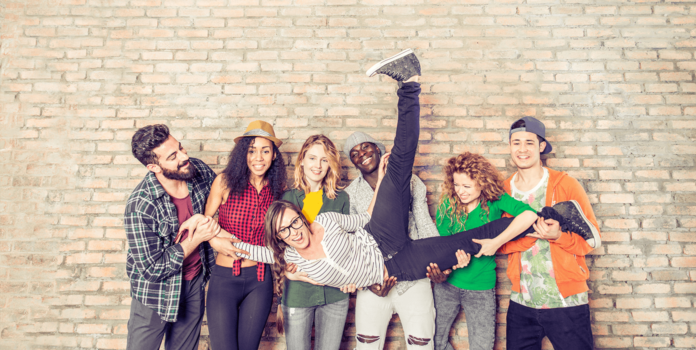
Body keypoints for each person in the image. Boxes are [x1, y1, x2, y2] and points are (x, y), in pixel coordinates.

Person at [218, 50, 596, 290]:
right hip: (400, 265)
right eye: (285, 230)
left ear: (302, 218)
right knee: (476, 243)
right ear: (279, 237)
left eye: (295, 222)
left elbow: (364, 220)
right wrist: (208, 233)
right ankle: (554, 215)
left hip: (379, 236)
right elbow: (243, 248)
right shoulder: (291, 259)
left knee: (397, 167)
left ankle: (409, 83)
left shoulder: (327, 222)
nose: (294, 230)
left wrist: (384, 185)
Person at [344, 130, 468, 349]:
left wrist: (442, 262)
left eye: (365, 147)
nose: (361, 154)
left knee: (421, 343)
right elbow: (353, 243)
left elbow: (424, 223)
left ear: (377, 149)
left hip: (414, 276)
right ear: (353, 162)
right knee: (366, 345)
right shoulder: (350, 195)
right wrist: (367, 282)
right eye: (354, 154)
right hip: (374, 280)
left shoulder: (410, 181)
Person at [499, 116, 601, 350]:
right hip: (522, 303)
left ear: (541, 146)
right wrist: (526, 236)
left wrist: (558, 237)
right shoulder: (503, 191)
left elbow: (591, 240)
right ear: (510, 146)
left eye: (529, 142)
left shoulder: (566, 184)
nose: (522, 149)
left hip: (568, 303)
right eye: (516, 142)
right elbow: (498, 243)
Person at [124, 124, 219, 350]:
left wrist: (201, 218)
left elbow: (224, 201)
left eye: (181, 148)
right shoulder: (140, 205)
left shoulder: (199, 172)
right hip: (154, 296)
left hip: (194, 284)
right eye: (173, 156)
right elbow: (152, 269)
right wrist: (195, 239)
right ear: (153, 166)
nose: (185, 157)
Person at [432, 153, 539, 350]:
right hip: (447, 285)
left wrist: (496, 242)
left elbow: (530, 214)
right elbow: (443, 244)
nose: (460, 191)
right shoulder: (448, 204)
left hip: (481, 287)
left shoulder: (495, 200)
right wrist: (453, 263)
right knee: (434, 343)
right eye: (456, 185)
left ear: (481, 183)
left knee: (482, 347)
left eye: (467, 186)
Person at [202, 120, 287, 350]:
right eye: (252, 150)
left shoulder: (278, 189)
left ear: (274, 156)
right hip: (224, 279)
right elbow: (204, 224)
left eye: (265, 151)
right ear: (243, 154)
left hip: (260, 281)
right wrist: (214, 239)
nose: (258, 157)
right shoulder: (224, 182)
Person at [279, 135, 351, 350]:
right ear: (301, 160)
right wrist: (285, 271)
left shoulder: (341, 199)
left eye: (324, 159)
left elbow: (348, 246)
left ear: (331, 164)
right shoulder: (286, 198)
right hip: (297, 292)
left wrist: (350, 276)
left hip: (335, 293)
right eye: (312, 158)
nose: (317, 166)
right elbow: (275, 246)